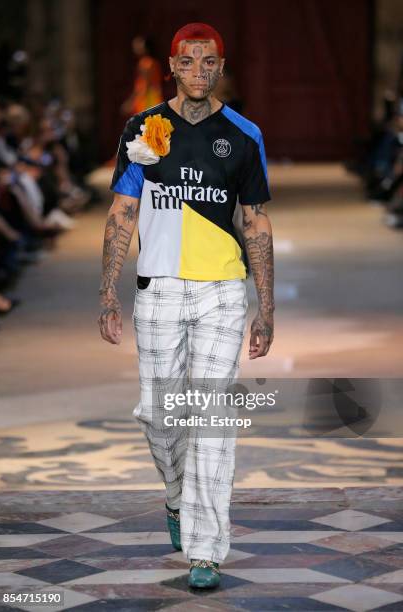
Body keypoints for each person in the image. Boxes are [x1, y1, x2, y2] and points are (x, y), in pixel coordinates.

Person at [98, 22, 275, 589]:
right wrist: (108, 292)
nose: (198, 71)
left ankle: (205, 548)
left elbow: (255, 221)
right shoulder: (143, 129)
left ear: (220, 67)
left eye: (209, 62)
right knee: (159, 415)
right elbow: (123, 213)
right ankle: (176, 496)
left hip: (222, 292)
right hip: (159, 289)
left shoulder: (244, 135)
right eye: (188, 61)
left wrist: (265, 306)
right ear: (172, 66)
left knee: (211, 420)